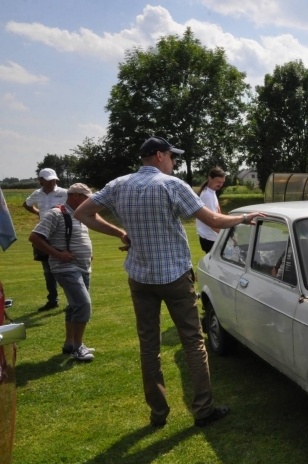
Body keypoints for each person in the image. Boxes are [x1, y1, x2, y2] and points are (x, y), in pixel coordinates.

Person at [74, 136, 261, 428]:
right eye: (172, 157)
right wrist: (245, 217)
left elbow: (82, 212)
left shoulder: (118, 184)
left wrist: (121, 233)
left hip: (139, 276)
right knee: (193, 342)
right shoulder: (171, 185)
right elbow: (214, 221)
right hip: (174, 276)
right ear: (160, 156)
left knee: (149, 346)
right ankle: (203, 409)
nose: (174, 163)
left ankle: (158, 414)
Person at [29, 183, 124, 361]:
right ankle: (79, 347)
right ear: (75, 197)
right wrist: (58, 254)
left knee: (74, 305)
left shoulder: (82, 215)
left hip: (83, 266)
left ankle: (70, 343)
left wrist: (118, 234)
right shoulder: (56, 213)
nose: (90, 201)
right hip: (65, 267)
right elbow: (34, 237)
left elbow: (90, 228)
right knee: (83, 304)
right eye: (86, 197)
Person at [24, 168, 68, 311]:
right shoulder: (37, 194)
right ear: (41, 180)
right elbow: (27, 204)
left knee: (66, 268)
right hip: (44, 234)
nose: (52, 182)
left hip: (61, 234)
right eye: (48, 180)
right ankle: (53, 300)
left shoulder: (64, 193)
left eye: (54, 179)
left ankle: (73, 300)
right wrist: (39, 214)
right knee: (48, 271)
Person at [196, 167, 226, 252]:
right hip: (210, 238)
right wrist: (225, 235)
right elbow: (213, 222)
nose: (220, 185)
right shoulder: (208, 195)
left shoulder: (210, 192)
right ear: (210, 178)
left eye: (222, 182)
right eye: (218, 182)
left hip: (209, 237)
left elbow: (217, 214)